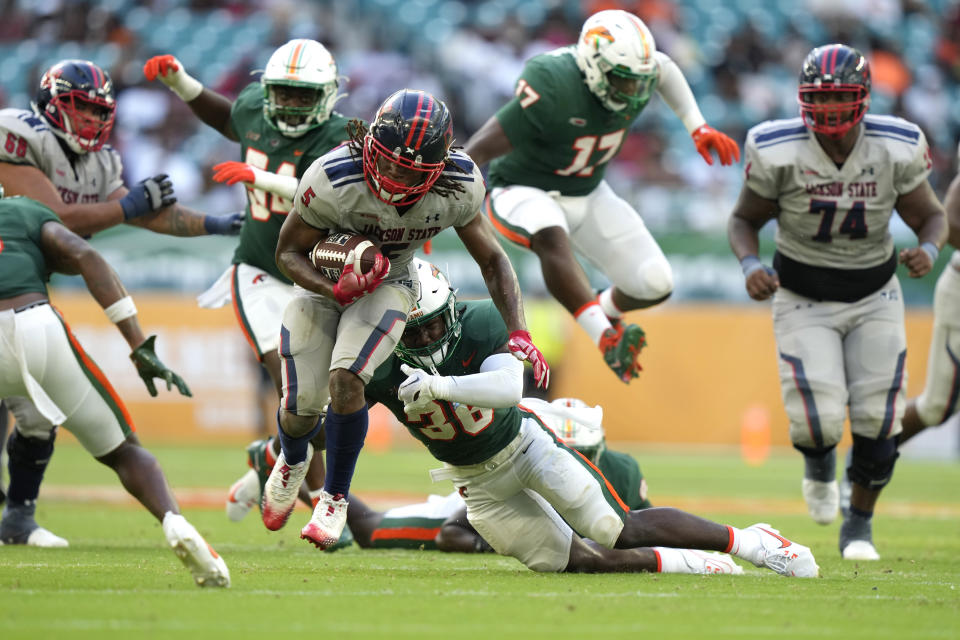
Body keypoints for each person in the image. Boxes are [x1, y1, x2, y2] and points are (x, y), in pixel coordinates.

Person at [350, 259, 817, 576]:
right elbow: (341, 419)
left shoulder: (480, 320)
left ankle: (754, 543)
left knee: (615, 528)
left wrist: (437, 385)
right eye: (417, 329)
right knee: (581, 561)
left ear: (451, 306)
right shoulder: (379, 358)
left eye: (435, 321)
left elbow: (511, 389)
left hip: (524, 447)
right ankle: (686, 562)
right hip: (475, 485)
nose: (430, 335)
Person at [265, 89, 550, 550]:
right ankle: (291, 458)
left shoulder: (459, 185)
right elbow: (287, 252)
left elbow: (494, 260)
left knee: (347, 378)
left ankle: (334, 497)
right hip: (321, 283)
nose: (395, 176)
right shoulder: (334, 177)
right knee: (300, 409)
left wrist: (519, 330)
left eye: (410, 170)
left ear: (438, 168)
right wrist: (332, 286)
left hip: (391, 284)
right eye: (389, 162)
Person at [0, 59, 242, 545]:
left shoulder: (100, 162)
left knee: (34, 413)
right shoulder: (18, 132)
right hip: (13, 286)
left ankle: (18, 517)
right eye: (80, 108)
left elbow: (146, 214)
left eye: (97, 111)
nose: (90, 120)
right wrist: (128, 206)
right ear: (52, 104)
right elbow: (56, 216)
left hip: (21, 291)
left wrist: (212, 224)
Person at [727, 44, 947, 561]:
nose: (827, 111)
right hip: (803, 295)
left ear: (864, 98)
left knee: (879, 419)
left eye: (840, 99)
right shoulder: (776, 147)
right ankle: (820, 465)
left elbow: (931, 217)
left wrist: (931, 249)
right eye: (818, 100)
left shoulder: (895, 145)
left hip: (875, 294)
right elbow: (743, 220)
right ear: (802, 101)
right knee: (816, 422)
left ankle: (859, 525)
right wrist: (750, 265)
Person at [463, 9, 740, 384]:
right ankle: (603, 334)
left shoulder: (638, 71)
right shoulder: (554, 83)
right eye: (623, 80)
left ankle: (599, 306)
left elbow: (665, 69)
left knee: (654, 282)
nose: (634, 91)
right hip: (521, 188)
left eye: (639, 81)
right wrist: (442, 207)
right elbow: (477, 148)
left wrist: (697, 125)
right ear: (593, 65)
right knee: (549, 232)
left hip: (588, 191)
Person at [145, 39, 356, 510]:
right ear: (268, 90)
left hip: (314, 277)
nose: (293, 103)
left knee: (317, 400)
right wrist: (181, 81)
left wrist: (256, 177)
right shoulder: (254, 112)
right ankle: (321, 499)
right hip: (259, 271)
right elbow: (228, 117)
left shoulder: (340, 138)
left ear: (328, 94)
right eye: (284, 92)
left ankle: (270, 457)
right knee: (293, 390)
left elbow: (322, 193)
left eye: (304, 95)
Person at [0, 191, 229, 588]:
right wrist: (138, 344)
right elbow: (86, 256)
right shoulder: (21, 209)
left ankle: (18, 520)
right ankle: (174, 521)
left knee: (35, 419)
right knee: (125, 451)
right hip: (30, 322)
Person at [226, 395, 653, 551]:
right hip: (478, 498)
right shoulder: (543, 462)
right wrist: (493, 545)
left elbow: (643, 519)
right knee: (366, 530)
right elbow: (454, 530)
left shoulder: (621, 470)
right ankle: (275, 464)